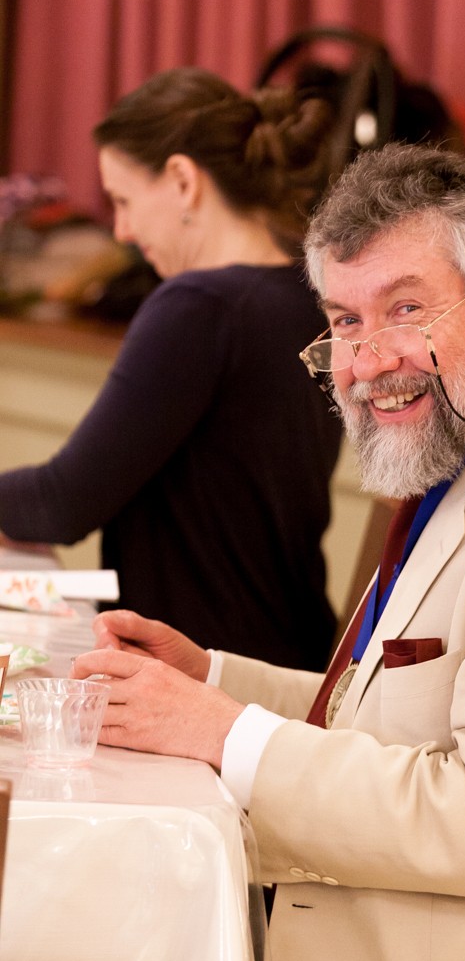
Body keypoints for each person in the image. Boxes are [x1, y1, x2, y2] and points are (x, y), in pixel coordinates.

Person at [72, 144, 465, 961]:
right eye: (344, 321)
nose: (364, 362)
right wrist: (210, 681)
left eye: (405, 309)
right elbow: (400, 715)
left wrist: (225, 733)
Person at [0, 68, 342, 670]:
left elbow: (62, 503)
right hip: (291, 655)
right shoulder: (308, 295)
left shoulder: (200, 305)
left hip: (204, 667)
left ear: (184, 180)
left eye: (124, 201)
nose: (122, 231)